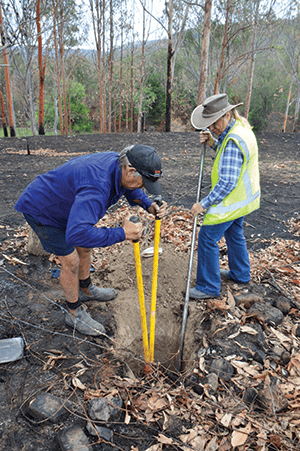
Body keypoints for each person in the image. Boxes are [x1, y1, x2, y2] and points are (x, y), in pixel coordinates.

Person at [15, 144, 167, 336]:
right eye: (143, 181)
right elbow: (76, 234)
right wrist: (123, 233)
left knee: (85, 247)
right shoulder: (97, 187)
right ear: (130, 170)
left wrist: (148, 204)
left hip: (68, 205)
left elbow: (130, 187)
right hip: (43, 209)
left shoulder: (118, 164)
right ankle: (74, 313)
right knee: (71, 261)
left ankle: (85, 289)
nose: (143, 186)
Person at [188, 93, 260, 300]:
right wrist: (213, 142)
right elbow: (230, 158)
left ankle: (208, 287)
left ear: (227, 114)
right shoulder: (241, 128)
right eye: (208, 124)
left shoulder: (232, 140)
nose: (211, 127)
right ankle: (241, 274)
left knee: (208, 238)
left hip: (231, 201)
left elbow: (227, 182)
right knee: (234, 234)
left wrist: (203, 204)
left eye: (213, 123)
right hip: (243, 199)